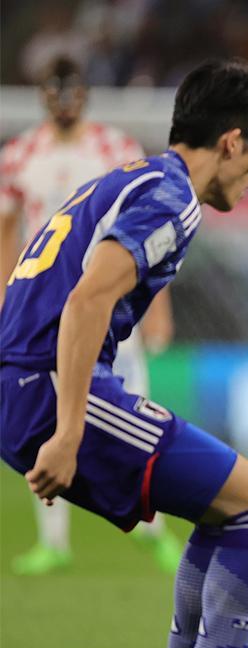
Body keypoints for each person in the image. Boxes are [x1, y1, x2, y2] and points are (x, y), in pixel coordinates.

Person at [0, 59, 248, 648]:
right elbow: (86, 298)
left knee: (225, 510)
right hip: (45, 388)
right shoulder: (172, 198)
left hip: (24, 381)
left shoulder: (134, 177)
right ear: (232, 141)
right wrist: (69, 432)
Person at [0, 55, 182, 576]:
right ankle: (53, 542)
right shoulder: (18, 155)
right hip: (44, 310)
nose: (62, 99)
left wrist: (158, 307)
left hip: (112, 304)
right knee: (43, 420)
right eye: (53, 90)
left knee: (138, 411)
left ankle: (153, 529)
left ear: (83, 93)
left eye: (70, 89)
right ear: (41, 94)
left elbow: (151, 231)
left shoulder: (116, 149)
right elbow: (7, 230)